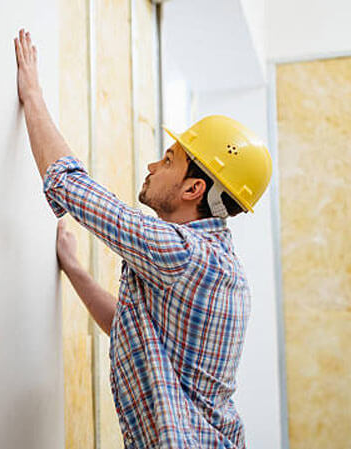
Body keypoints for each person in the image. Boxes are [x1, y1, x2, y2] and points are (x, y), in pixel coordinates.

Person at [14, 28, 272, 449]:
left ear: (193, 190)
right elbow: (129, 329)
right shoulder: (212, 261)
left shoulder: (182, 254)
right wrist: (75, 269)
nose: (153, 164)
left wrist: (32, 95)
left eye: (169, 160)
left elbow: (71, 186)